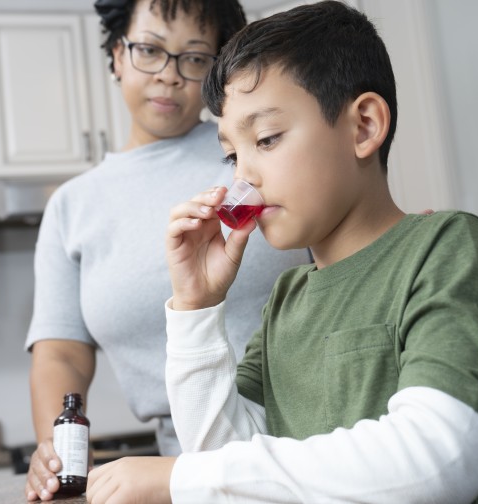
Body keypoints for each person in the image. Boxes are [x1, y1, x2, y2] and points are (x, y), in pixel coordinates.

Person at [85, 1, 478, 502]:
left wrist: (180, 480)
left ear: (364, 126)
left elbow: (440, 460)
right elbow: (226, 454)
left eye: (267, 138)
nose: (243, 179)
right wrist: (195, 307)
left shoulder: (448, 248)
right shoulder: (287, 300)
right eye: (232, 155)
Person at [23, 0, 311, 501]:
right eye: (150, 51)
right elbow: (61, 353)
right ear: (117, 54)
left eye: (195, 58)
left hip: (310, 448)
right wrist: (56, 445)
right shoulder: (72, 207)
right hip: (176, 474)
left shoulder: (256, 147)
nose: (170, 76)